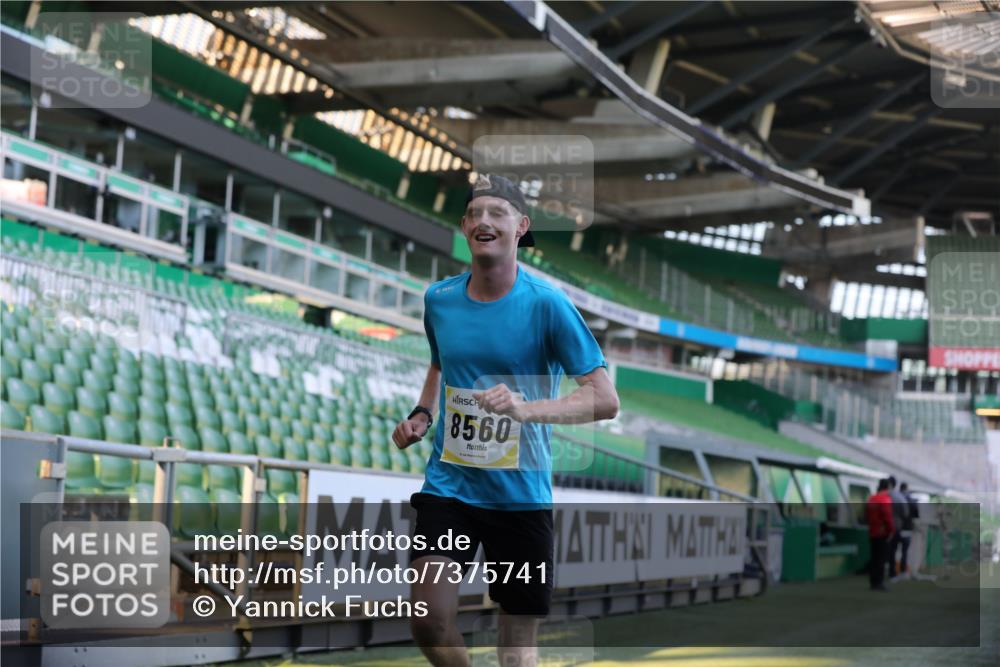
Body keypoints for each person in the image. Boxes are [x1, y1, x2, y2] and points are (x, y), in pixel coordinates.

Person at [391, 173, 620, 667]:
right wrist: (423, 413)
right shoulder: (440, 300)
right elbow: (440, 363)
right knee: (428, 620)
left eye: (497, 213)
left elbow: (604, 399)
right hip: (450, 487)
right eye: (475, 214)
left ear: (521, 226)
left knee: (516, 650)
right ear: (464, 226)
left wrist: (525, 409)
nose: (484, 221)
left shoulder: (548, 304)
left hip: (520, 498)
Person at [866, 478, 895, 591]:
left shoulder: (871, 498)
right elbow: (887, 517)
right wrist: (891, 530)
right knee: (881, 559)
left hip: (872, 532)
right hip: (882, 533)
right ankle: (879, 582)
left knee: (874, 557)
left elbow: (867, 515)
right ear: (888, 487)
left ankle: (873, 582)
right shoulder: (885, 499)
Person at [887, 476, 910, 579]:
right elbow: (905, 513)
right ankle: (901, 570)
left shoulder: (886, 495)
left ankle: (892, 572)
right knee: (902, 550)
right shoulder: (899, 497)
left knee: (891, 550)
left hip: (888, 527)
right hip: (898, 526)